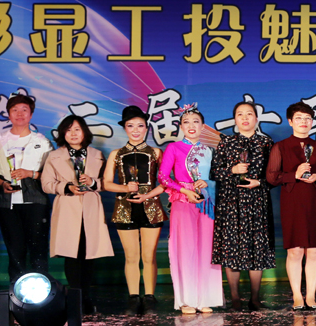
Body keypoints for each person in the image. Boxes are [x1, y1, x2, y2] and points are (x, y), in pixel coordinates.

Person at [266, 102, 316, 311]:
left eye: (307, 118)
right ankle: (297, 296)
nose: (303, 122)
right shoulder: (280, 147)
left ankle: (311, 296)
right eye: (298, 118)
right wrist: (293, 175)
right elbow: (271, 177)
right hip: (292, 202)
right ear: (290, 121)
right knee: (295, 251)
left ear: (312, 121)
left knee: (314, 251)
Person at [41, 115, 113, 314]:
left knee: (89, 254)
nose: (73, 133)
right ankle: (76, 297)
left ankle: (86, 297)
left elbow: (106, 183)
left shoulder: (97, 154)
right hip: (68, 208)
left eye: (77, 129)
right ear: (63, 133)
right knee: (72, 254)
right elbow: (46, 184)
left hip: (90, 208)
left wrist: (92, 182)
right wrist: (67, 187)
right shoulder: (54, 156)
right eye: (69, 129)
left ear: (84, 132)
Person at [0, 94, 51, 287]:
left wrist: (31, 173)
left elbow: (52, 173)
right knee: (15, 249)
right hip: (7, 202)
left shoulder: (42, 141)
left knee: (38, 247)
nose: (20, 114)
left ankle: (42, 291)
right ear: (8, 114)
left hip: (36, 200)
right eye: (15, 110)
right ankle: (16, 292)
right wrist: (1, 183)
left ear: (31, 114)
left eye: (24, 110)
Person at [212, 101, 276, 311]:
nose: (245, 118)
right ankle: (235, 298)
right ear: (235, 119)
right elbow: (214, 172)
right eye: (240, 114)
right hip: (231, 203)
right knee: (232, 250)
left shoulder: (267, 143)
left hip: (257, 202)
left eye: (249, 114)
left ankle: (255, 298)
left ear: (256, 118)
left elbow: (275, 175)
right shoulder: (226, 142)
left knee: (256, 249)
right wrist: (232, 170)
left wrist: (261, 183)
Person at [159, 105, 223, 314]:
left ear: (203, 126)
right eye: (186, 122)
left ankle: (206, 298)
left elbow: (219, 177)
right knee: (185, 249)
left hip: (206, 203)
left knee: (207, 249)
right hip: (183, 202)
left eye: (196, 121)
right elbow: (163, 177)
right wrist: (184, 190)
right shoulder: (174, 148)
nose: (191, 125)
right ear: (180, 126)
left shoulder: (210, 150)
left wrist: (208, 183)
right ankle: (187, 300)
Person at [103, 105, 166, 313]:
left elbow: (166, 181)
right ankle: (133, 297)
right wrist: (125, 188)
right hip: (124, 208)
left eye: (140, 125)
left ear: (147, 128)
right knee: (131, 256)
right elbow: (106, 183)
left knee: (149, 256)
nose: (136, 130)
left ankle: (149, 297)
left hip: (151, 207)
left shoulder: (156, 152)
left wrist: (148, 194)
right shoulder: (116, 154)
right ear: (125, 128)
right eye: (131, 126)